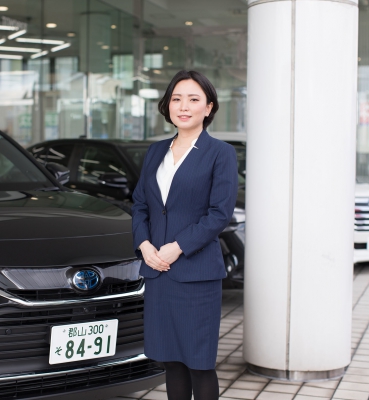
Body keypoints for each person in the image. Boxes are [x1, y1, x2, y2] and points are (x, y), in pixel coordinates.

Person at [132, 70, 238, 400]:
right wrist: (144, 244)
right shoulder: (155, 152)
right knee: (172, 361)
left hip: (196, 274)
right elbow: (140, 204)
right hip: (158, 273)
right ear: (167, 105)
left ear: (208, 107)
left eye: (193, 99)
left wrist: (177, 247)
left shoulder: (220, 153)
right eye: (177, 99)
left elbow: (219, 214)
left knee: (199, 363)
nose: (183, 106)